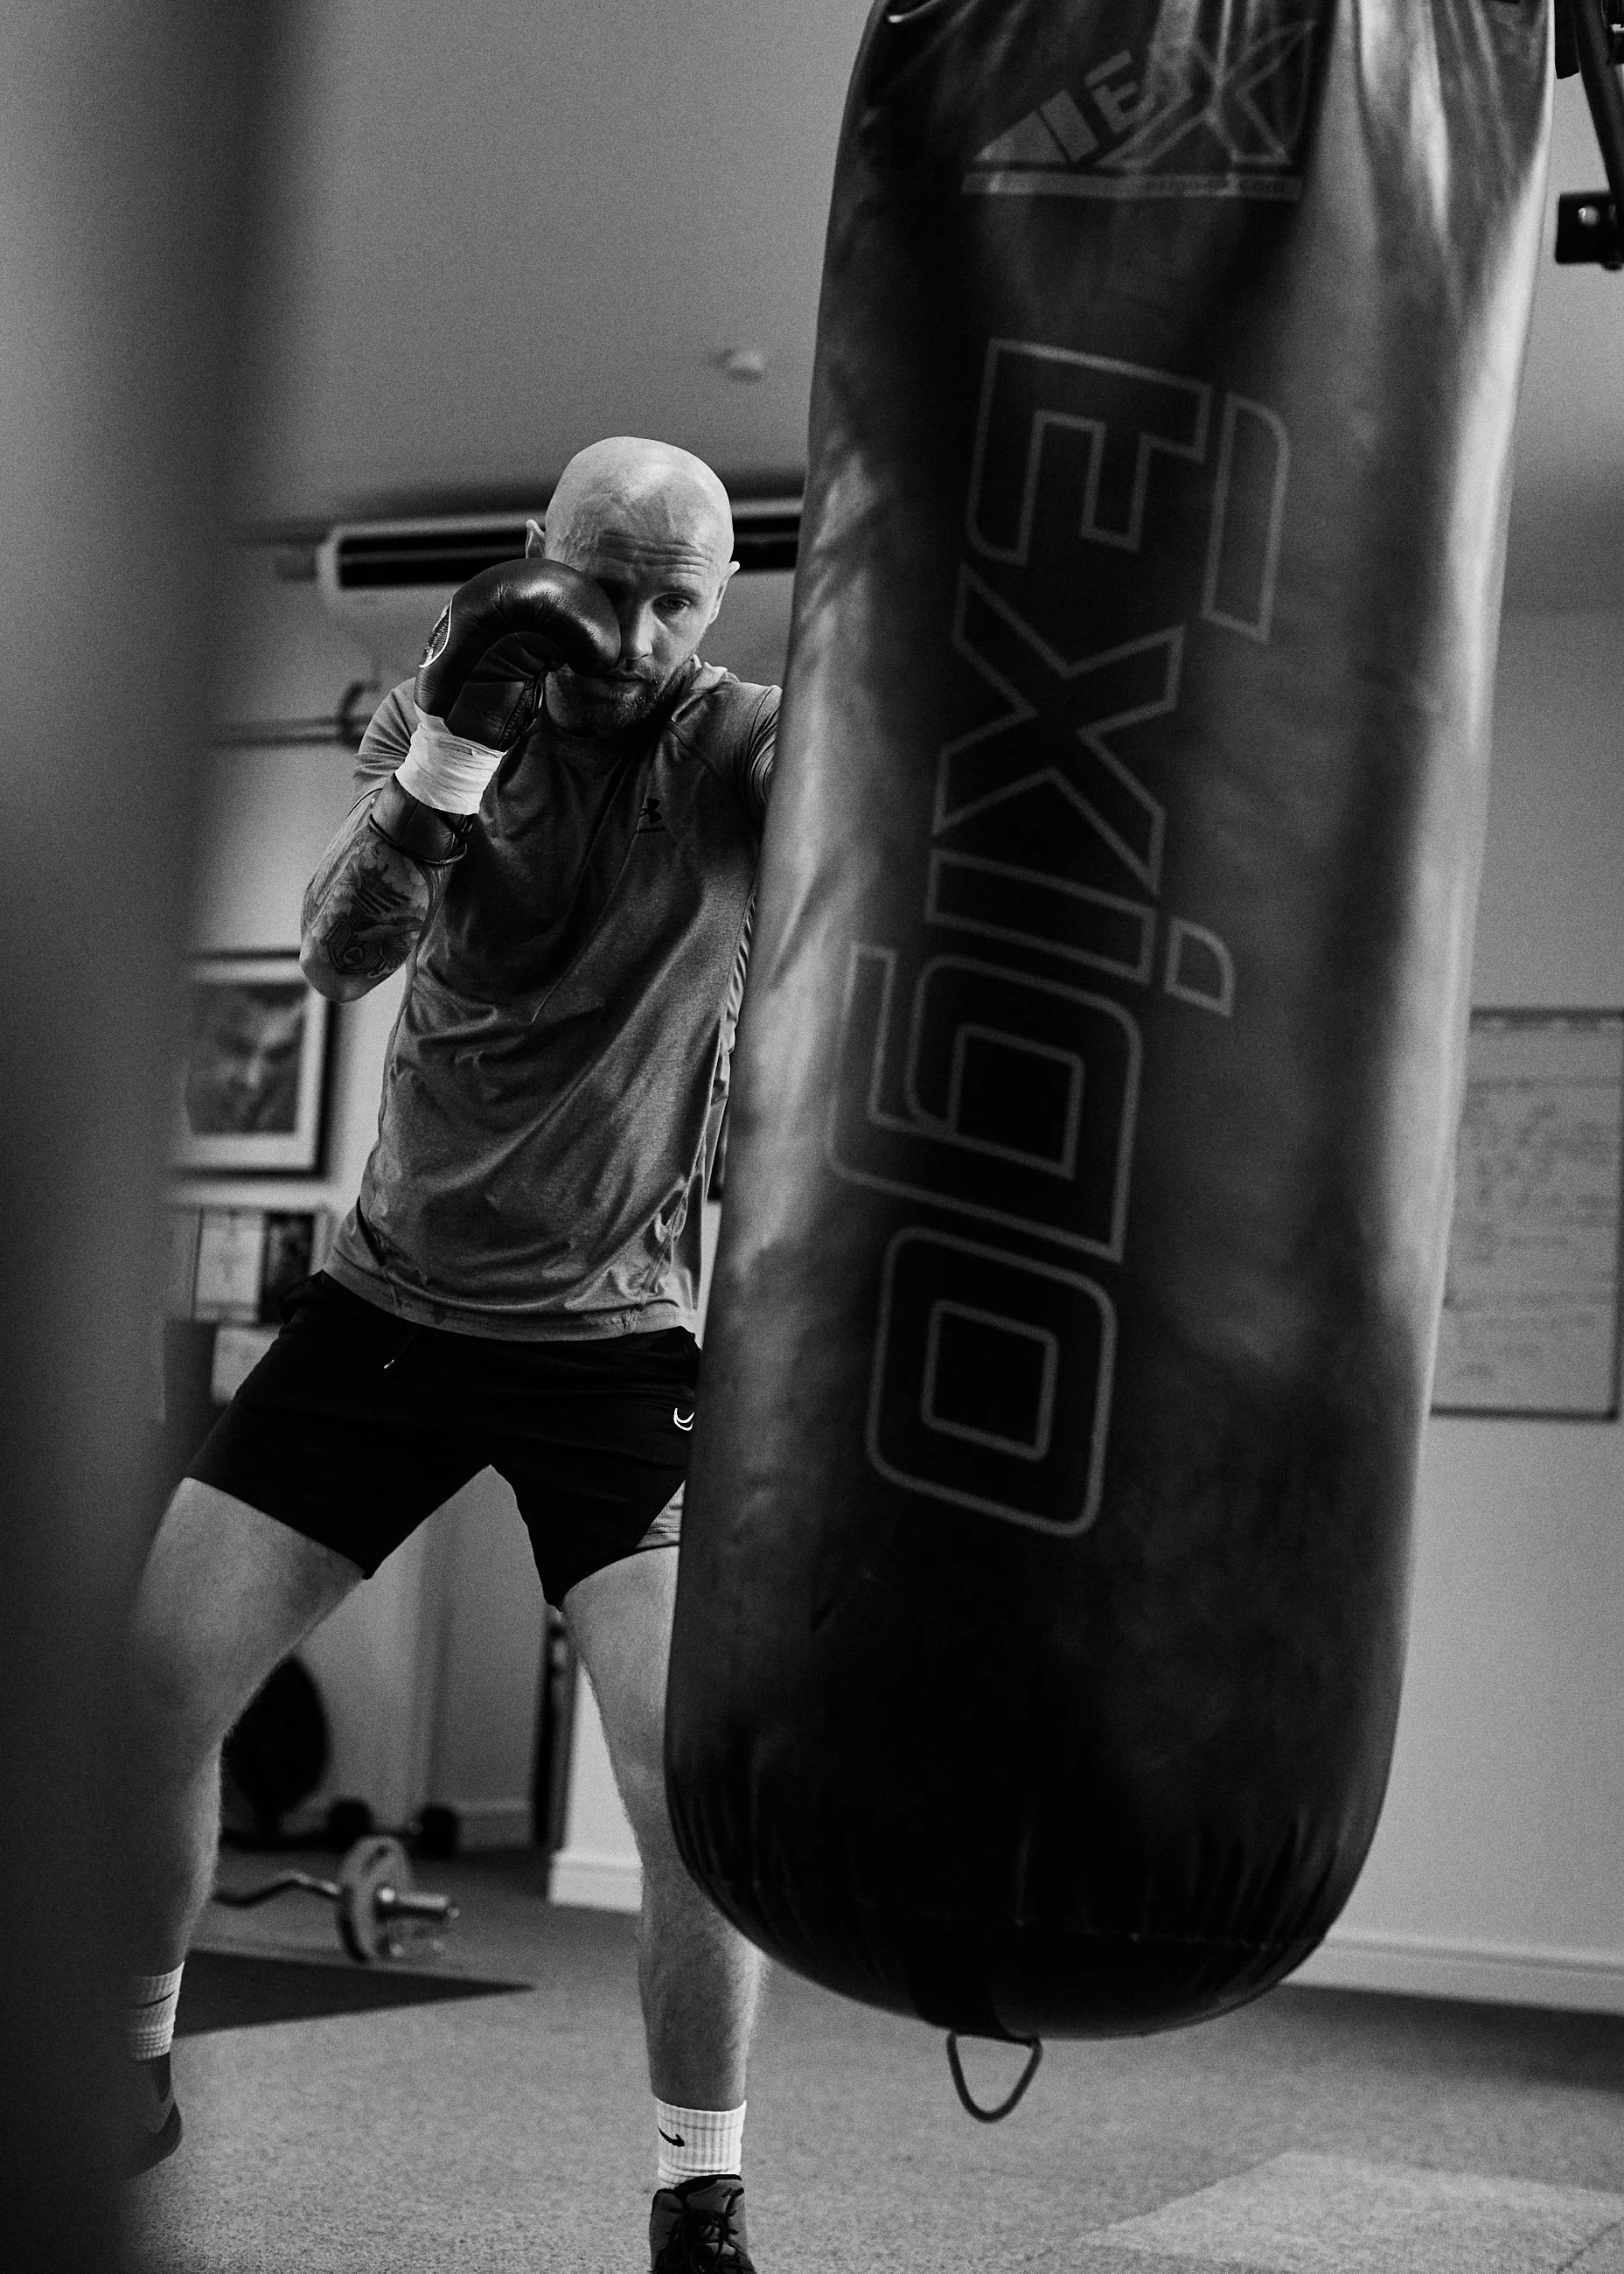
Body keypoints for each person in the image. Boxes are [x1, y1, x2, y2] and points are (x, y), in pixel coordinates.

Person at [123, 436, 777, 2274]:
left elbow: (882, 846)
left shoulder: (740, 740)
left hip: (615, 1340)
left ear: (721, 597)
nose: (640, 628)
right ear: (536, 555)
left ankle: (697, 2188)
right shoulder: (450, 702)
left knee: (689, 1790)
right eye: (610, 579)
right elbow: (339, 958)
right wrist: (450, 752)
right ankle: (131, 2058)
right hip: (387, 1308)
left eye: (681, 592)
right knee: (154, 1685)